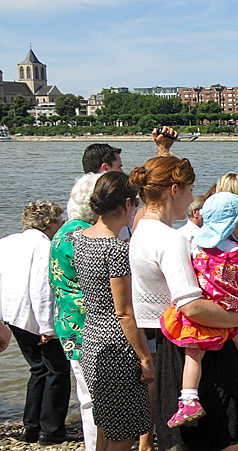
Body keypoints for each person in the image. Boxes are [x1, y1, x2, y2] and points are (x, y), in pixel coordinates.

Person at [128, 155, 238, 451]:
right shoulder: (170, 239)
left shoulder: (140, 229)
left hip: (166, 342)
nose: (191, 199)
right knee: (222, 438)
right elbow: (191, 306)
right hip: (199, 345)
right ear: (174, 190)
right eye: (190, 190)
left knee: (185, 441)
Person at [161, 192, 238, 427]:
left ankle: (189, 399)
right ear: (232, 223)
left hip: (209, 310)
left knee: (194, 353)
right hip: (234, 308)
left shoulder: (196, 246)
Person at [75, 171, 155, 451]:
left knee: (105, 425)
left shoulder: (81, 238)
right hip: (117, 345)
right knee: (124, 434)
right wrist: (145, 357)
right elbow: (124, 313)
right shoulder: (116, 249)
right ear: (127, 204)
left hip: (92, 339)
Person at [0, 200, 69, 445]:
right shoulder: (45, 246)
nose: (62, 225)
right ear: (49, 223)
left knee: (38, 369)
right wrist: (48, 328)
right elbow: (42, 289)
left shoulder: (6, 242)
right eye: (60, 221)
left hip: (13, 317)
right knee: (57, 370)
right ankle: (51, 431)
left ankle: (31, 428)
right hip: (36, 319)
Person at [49, 172, 102, 451]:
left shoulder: (63, 231)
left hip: (68, 322)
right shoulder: (85, 236)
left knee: (87, 394)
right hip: (88, 323)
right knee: (97, 396)